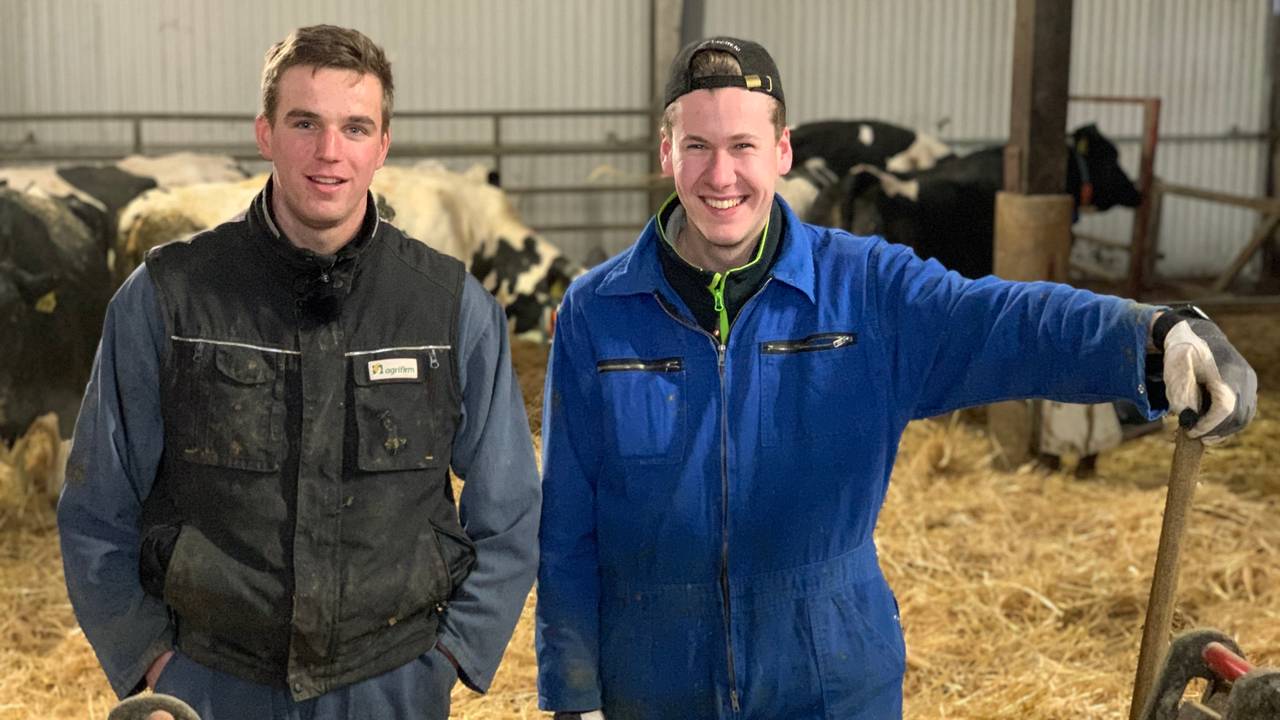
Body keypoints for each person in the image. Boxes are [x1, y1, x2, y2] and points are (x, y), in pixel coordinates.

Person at [535, 36, 1256, 720]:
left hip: (828, 676)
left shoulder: (868, 292)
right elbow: (567, 523)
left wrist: (1151, 338)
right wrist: (574, 691)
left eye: (743, 146)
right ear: (667, 153)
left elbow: (1006, 321)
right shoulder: (598, 314)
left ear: (783, 151)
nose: (720, 176)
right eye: (697, 146)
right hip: (655, 684)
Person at [58, 25, 541, 720]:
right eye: (304, 123)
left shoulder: (449, 308)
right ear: (265, 133)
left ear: (383, 145)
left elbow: (511, 510)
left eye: (355, 127)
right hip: (212, 679)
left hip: (392, 682)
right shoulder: (168, 297)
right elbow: (95, 506)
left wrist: (454, 655)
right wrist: (147, 659)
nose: (329, 152)